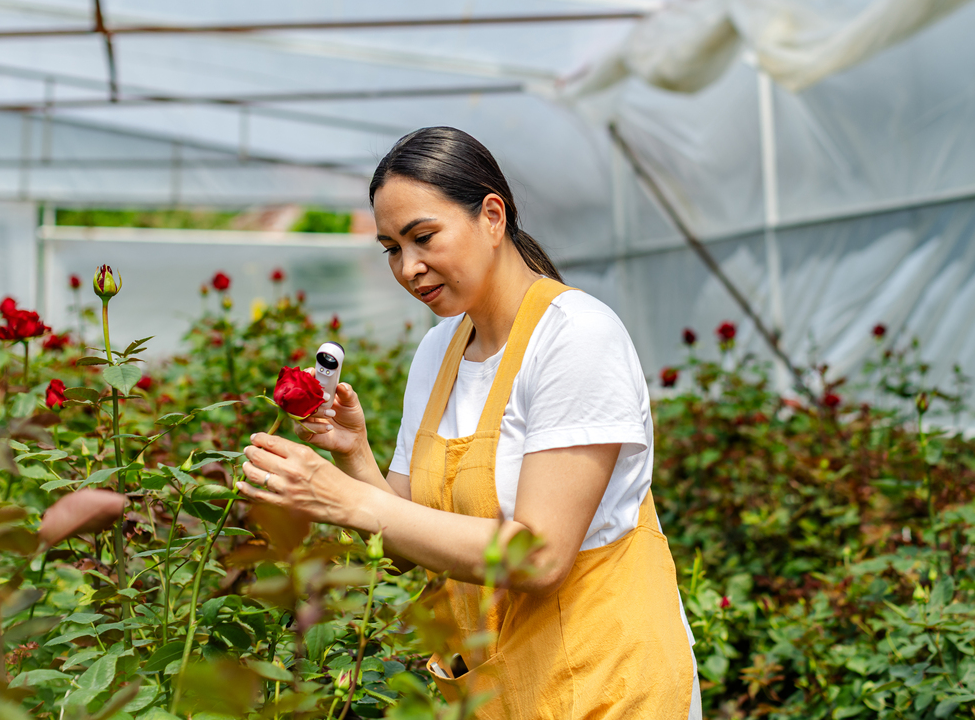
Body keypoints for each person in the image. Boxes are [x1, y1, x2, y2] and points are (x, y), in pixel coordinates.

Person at [239, 126, 701, 719]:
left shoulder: (575, 337)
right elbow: (404, 540)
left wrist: (344, 500)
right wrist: (353, 456)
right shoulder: (440, 350)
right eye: (391, 248)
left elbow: (538, 557)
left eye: (423, 237)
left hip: (610, 683)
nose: (409, 267)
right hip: (504, 690)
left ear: (491, 216)